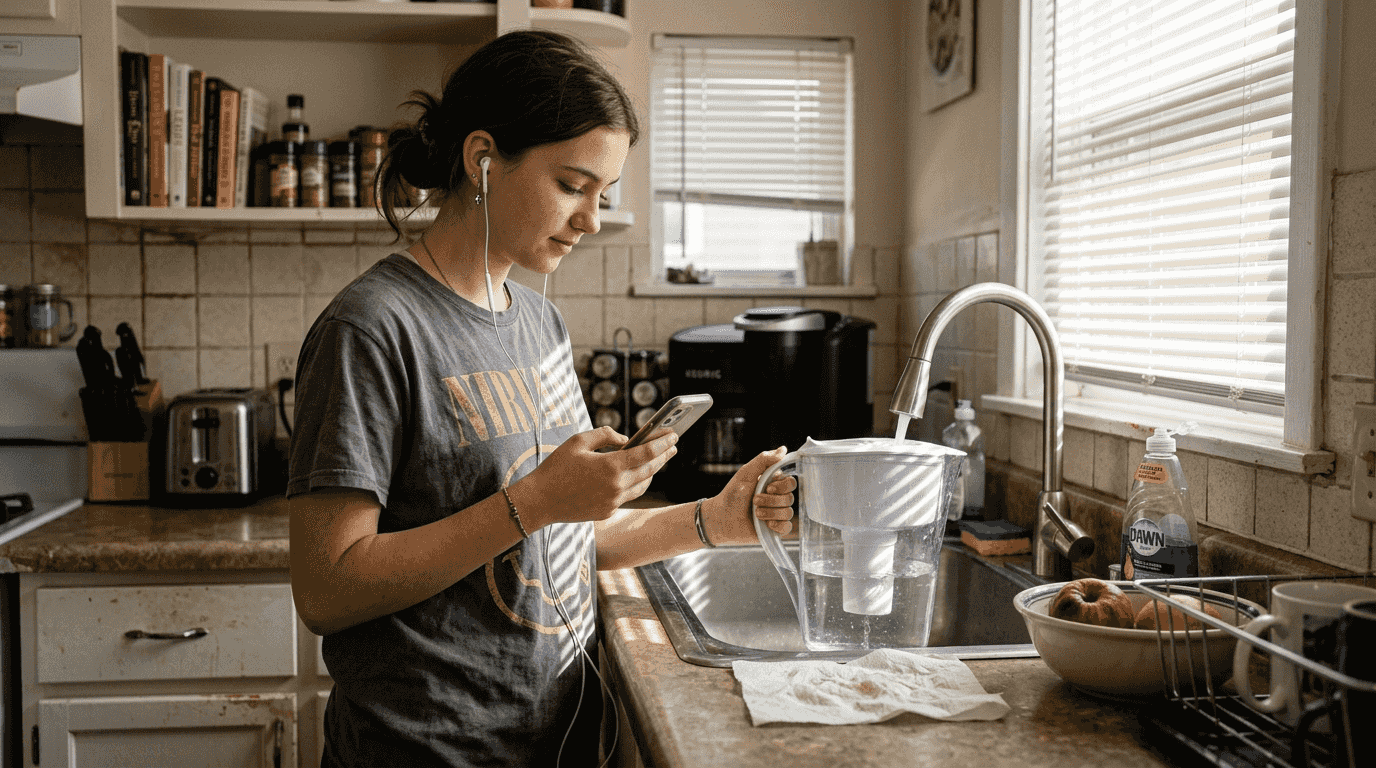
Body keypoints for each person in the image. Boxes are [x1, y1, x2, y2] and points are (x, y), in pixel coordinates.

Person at [286, 29, 797, 767]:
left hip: (553, 743)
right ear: (483, 160)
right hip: (425, 750)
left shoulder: (539, 320)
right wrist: (535, 501)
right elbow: (327, 588)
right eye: (572, 185)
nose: (591, 220)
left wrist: (713, 521)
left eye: (603, 195)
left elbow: (554, 546)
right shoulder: (370, 329)